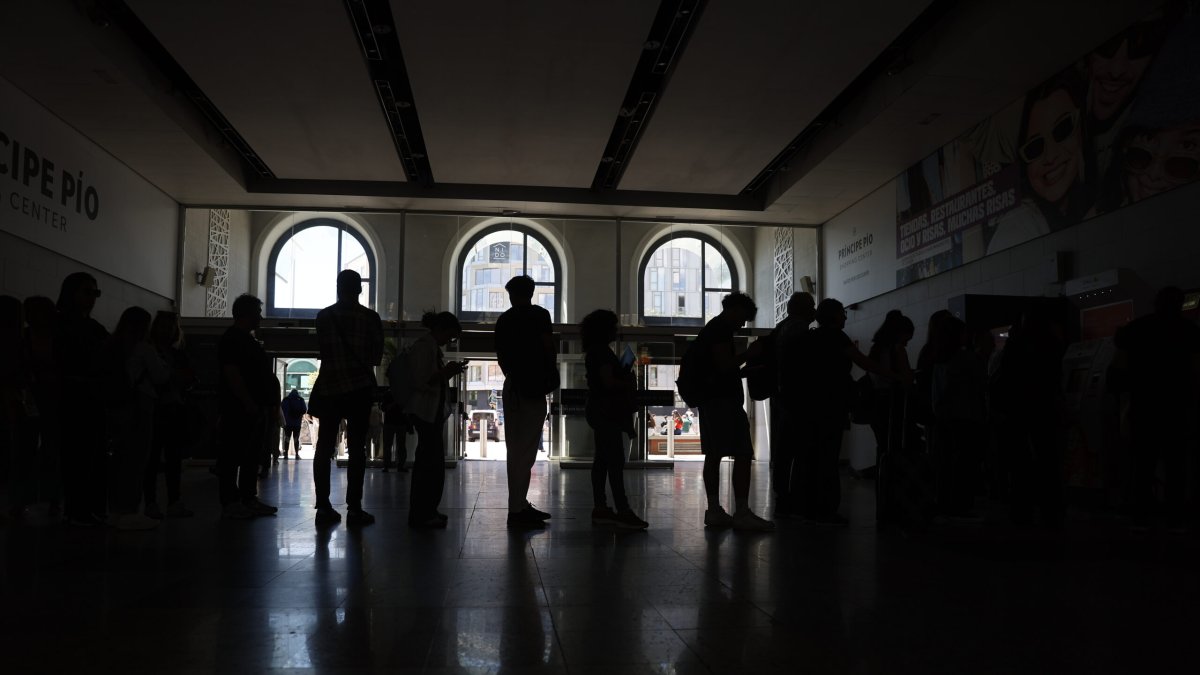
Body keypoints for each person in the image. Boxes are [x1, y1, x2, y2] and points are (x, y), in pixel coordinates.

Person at [791, 299, 901, 526]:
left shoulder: (808, 338)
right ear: (833, 316)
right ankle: (827, 509)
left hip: (808, 407)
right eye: (842, 313)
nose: (846, 317)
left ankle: (806, 507)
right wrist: (896, 376)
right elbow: (864, 363)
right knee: (828, 458)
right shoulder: (837, 338)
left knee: (810, 457)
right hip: (831, 406)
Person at [1113, 287, 1200, 532]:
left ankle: (1141, 514)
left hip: (1144, 406)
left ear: (1156, 303)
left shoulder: (1137, 329)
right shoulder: (1189, 331)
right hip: (1177, 408)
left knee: (1143, 463)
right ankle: (1174, 515)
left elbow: (1119, 369)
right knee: (1176, 466)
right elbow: (1195, 372)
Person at [987, 70, 1096, 254]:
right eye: (1034, 148)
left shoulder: (1094, 202)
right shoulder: (1018, 226)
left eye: (1062, 130)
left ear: (1082, 130)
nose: (1050, 156)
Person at [692, 292, 774, 531]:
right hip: (723, 402)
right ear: (735, 310)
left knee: (714, 454)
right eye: (743, 318)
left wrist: (745, 371)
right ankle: (742, 512)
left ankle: (715, 509)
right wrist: (750, 354)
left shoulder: (711, 330)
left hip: (711, 400)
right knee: (742, 452)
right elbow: (724, 366)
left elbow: (720, 371)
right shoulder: (719, 331)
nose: (743, 324)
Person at [312, 270, 384, 526]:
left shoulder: (323, 316)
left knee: (324, 446)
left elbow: (322, 351)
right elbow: (376, 358)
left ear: (338, 287)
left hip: (330, 389)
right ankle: (354, 508)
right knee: (357, 449)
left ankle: (323, 506)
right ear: (360, 290)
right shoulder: (370, 318)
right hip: (359, 390)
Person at [991, 307, 1068, 528]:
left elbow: (1004, 381)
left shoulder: (1014, 347)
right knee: (1049, 460)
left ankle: (1022, 509)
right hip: (1045, 410)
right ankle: (1052, 509)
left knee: (1020, 464)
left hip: (1017, 412)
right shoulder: (1052, 346)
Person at [494, 275, 557, 528]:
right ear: (531, 292)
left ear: (511, 294)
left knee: (515, 448)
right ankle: (517, 507)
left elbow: (501, 357)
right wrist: (548, 375)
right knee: (527, 450)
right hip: (533, 387)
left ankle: (518, 504)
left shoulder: (504, 320)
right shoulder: (540, 315)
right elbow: (548, 348)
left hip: (513, 386)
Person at [102, 306, 171, 530]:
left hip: (118, 407)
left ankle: (114, 509)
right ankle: (130, 510)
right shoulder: (144, 349)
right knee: (137, 459)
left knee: (119, 459)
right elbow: (160, 377)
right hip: (141, 404)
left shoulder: (113, 346)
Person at [581, 309, 648, 530]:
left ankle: (601, 507)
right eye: (613, 326)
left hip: (599, 410)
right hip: (606, 411)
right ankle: (623, 510)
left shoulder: (595, 351)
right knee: (615, 461)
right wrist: (628, 382)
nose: (616, 330)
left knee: (602, 459)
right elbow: (609, 382)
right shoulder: (601, 352)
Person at [54, 272, 109, 527]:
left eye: (95, 293)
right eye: (87, 292)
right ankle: (77, 508)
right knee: (76, 457)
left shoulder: (93, 328)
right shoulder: (62, 325)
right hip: (71, 402)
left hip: (91, 400)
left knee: (92, 456)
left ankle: (86, 507)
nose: (92, 298)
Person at [217, 294, 279, 520]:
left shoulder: (243, 339)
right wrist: (248, 402)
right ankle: (234, 501)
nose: (260, 317)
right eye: (257, 313)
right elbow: (232, 374)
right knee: (234, 455)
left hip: (251, 407)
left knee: (249, 455)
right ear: (247, 314)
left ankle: (246, 498)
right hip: (241, 408)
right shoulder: (234, 340)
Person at [404, 311, 466, 528]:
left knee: (431, 464)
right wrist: (445, 372)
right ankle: (422, 513)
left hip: (430, 413)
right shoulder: (423, 347)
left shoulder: (430, 348)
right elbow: (421, 380)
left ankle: (428, 510)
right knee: (428, 465)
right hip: (425, 413)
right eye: (449, 336)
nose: (449, 342)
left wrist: (446, 372)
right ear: (440, 329)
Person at [144, 311, 195, 519]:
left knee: (168, 458)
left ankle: (163, 501)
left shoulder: (170, 354)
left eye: (170, 327)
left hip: (168, 409)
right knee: (155, 458)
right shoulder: (168, 354)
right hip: (157, 410)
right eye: (163, 326)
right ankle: (156, 501)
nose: (166, 331)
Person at [769, 291, 816, 518]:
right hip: (798, 398)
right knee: (799, 449)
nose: (814, 310)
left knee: (783, 450)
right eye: (812, 305)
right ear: (803, 309)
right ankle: (796, 497)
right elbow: (802, 367)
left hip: (781, 397)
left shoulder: (781, 328)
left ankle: (782, 496)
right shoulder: (799, 330)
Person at [863, 310, 915, 481]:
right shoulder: (897, 350)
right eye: (907, 338)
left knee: (883, 446)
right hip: (894, 404)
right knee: (896, 446)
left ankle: (883, 481)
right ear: (900, 333)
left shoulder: (876, 349)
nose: (907, 343)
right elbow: (906, 380)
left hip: (875, 405)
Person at [379, 392, 409, 473]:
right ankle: (400, 466)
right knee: (401, 446)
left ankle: (386, 466)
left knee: (388, 446)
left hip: (390, 423)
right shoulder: (403, 394)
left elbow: (383, 408)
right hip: (400, 423)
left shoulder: (388, 394)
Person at [280, 389, 307, 460]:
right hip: (297, 424)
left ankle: (286, 455)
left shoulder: (285, 400)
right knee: (296, 439)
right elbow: (304, 410)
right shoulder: (300, 400)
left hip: (287, 423)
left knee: (287, 438)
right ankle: (297, 455)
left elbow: (281, 409)